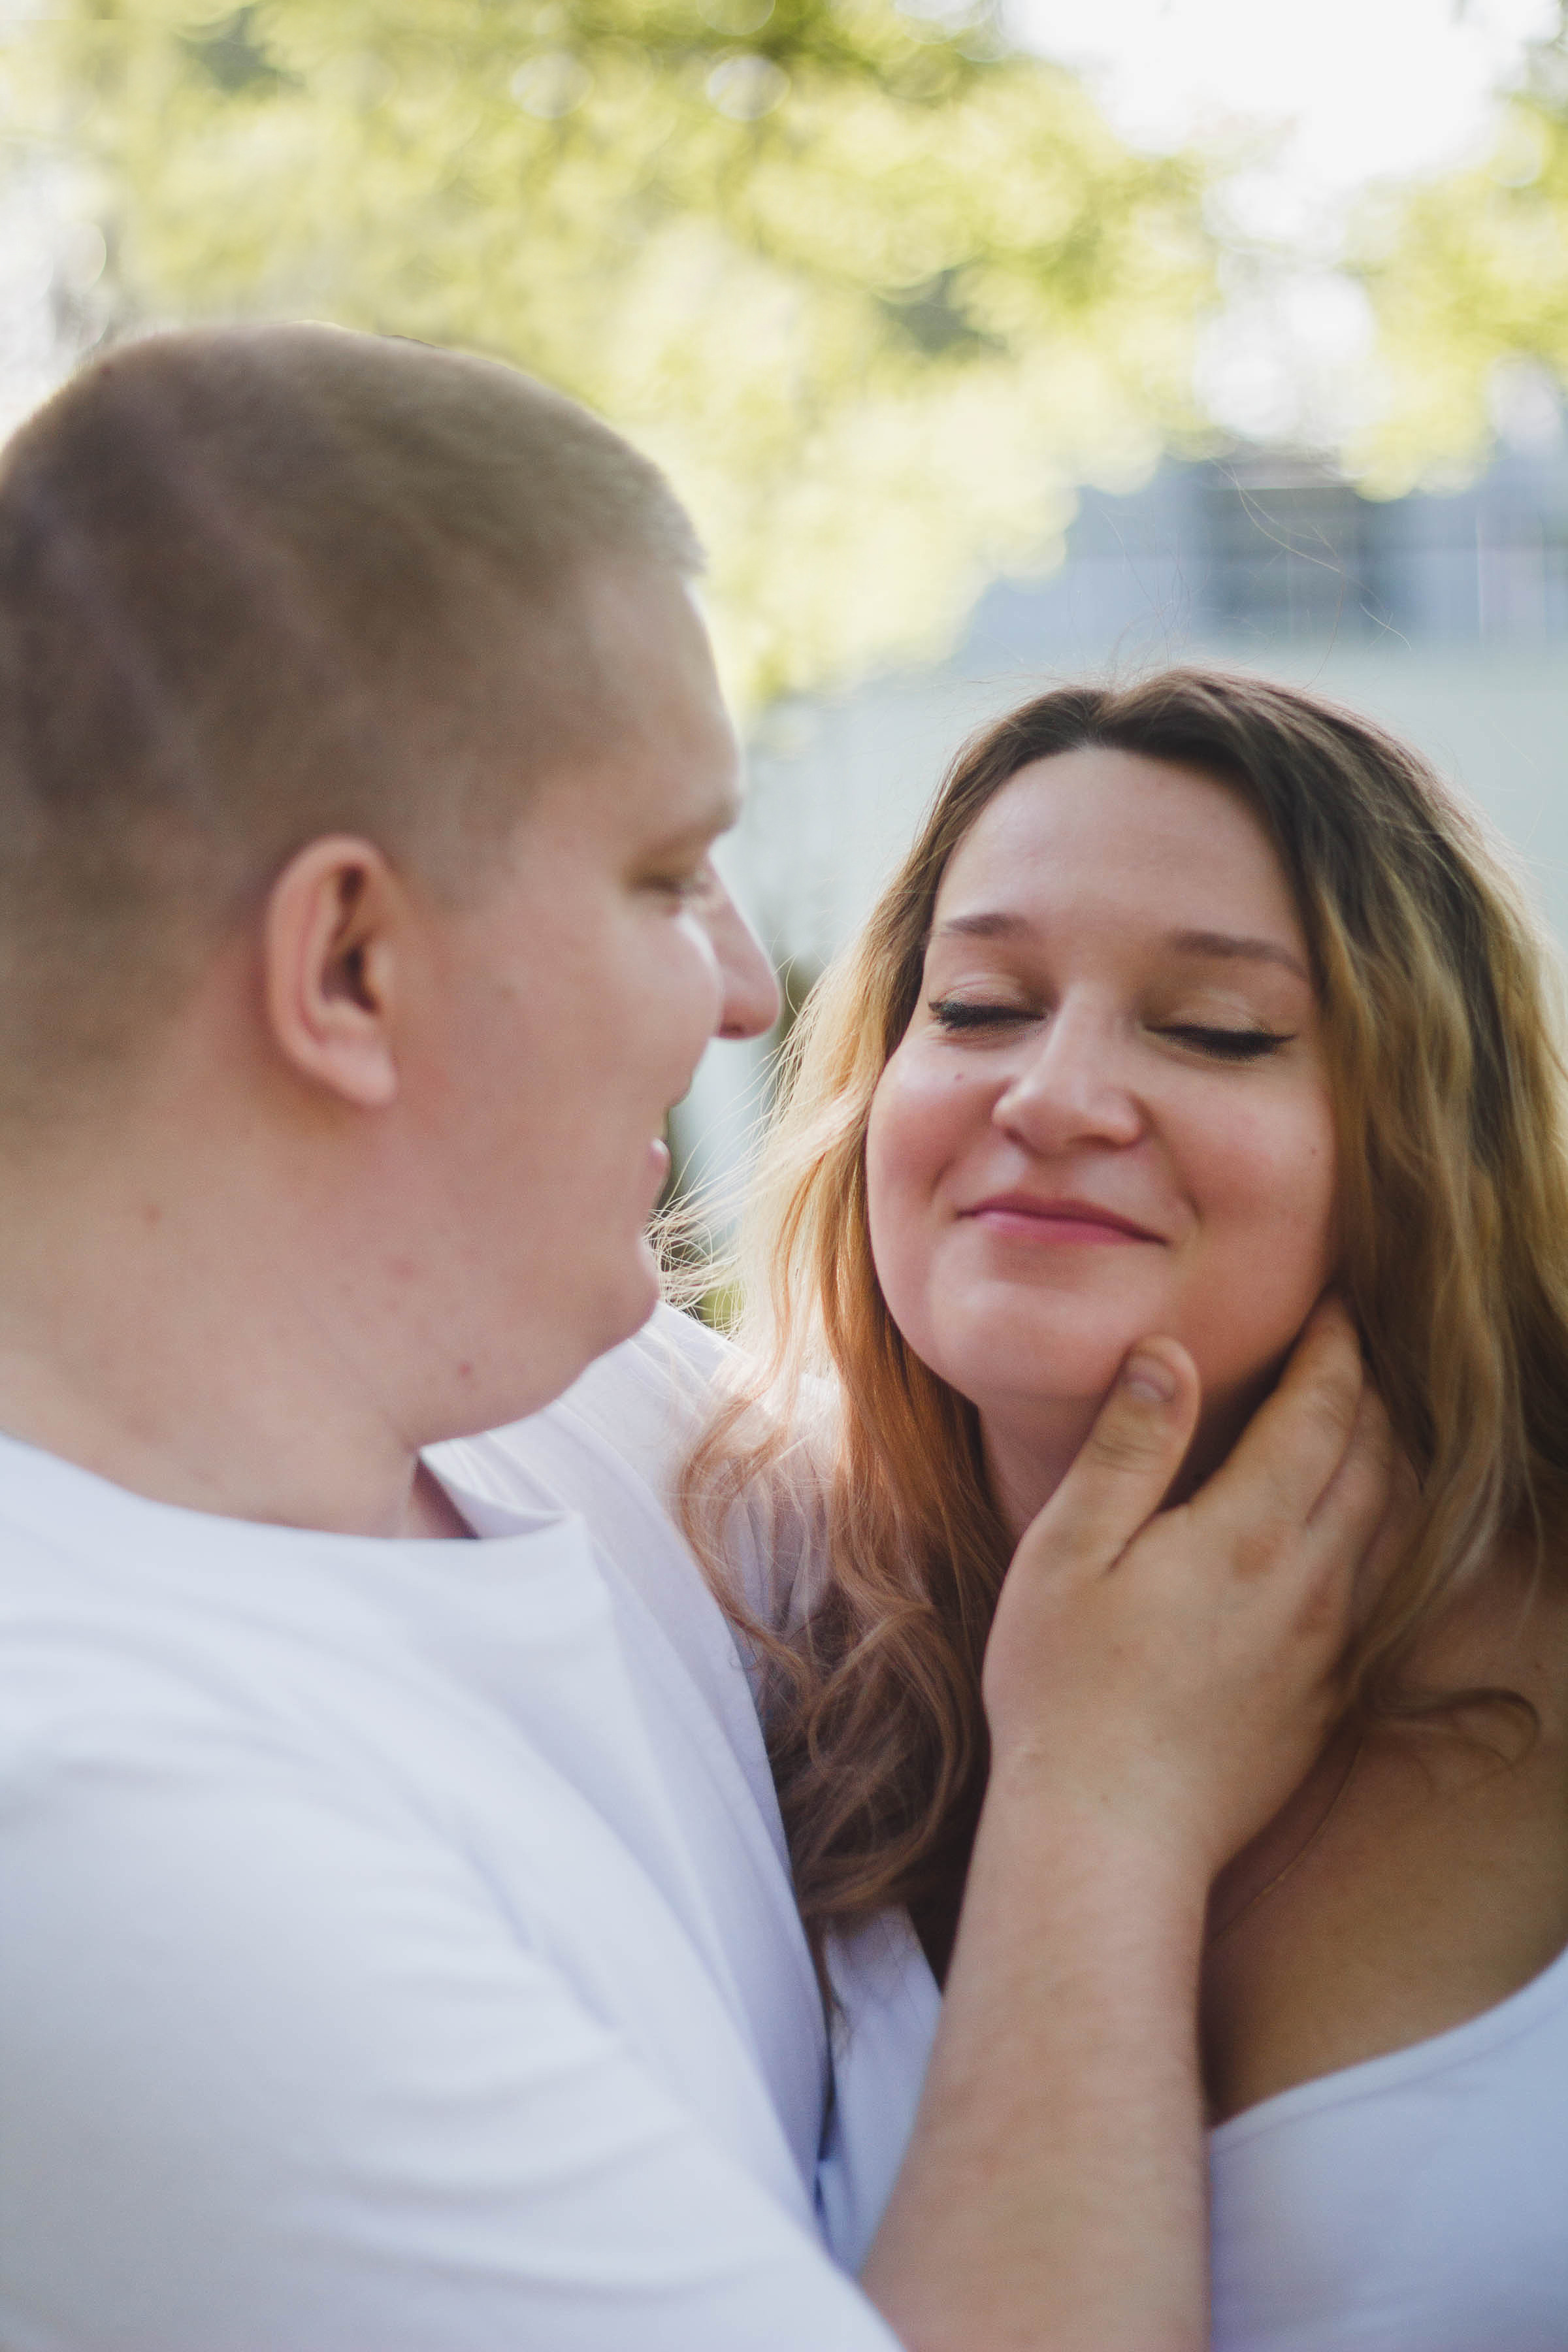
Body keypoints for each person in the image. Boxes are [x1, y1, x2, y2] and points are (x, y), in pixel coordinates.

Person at [0, 331, 1390, 2352]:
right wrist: (1105, 1816)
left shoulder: (573, 1419)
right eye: (668, 876)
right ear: (351, 966)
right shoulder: (107, 1850)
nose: (749, 992)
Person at [522, 666, 1564, 2351]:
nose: (1054, 1096)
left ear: (1427, 1137)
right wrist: (1100, 1789)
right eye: (984, 1007)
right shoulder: (757, 1607)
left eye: (1217, 1028)